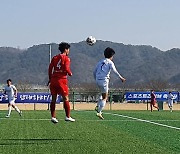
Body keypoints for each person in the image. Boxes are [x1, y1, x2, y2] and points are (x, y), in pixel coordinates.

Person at [93, 47, 126, 119]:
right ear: (111, 56)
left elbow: (94, 71)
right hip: (104, 80)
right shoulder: (110, 62)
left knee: (103, 93)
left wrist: (96, 78)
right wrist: (121, 77)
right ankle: (99, 111)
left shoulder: (100, 62)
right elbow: (115, 70)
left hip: (98, 80)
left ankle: (97, 106)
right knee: (105, 97)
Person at [48, 42, 75, 124]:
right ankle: (68, 116)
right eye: (68, 49)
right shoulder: (67, 58)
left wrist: (50, 78)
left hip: (53, 80)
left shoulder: (55, 57)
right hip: (61, 80)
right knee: (66, 98)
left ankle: (53, 117)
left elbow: (50, 69)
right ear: (66, 50)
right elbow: (66, 68)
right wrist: (70, 73)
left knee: (53, 98)